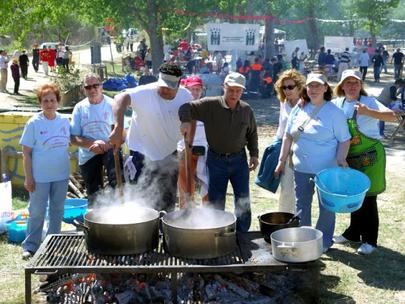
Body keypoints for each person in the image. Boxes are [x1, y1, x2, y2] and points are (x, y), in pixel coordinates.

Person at [274, 73, 351, 251]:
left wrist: (341, 158)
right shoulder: (299, 108)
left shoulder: (335, 113)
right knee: (302, 204)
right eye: (310, 86)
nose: (314, 89)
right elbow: (288, 135)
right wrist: (281, 160)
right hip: (301, 168)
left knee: (327, 207)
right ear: (305, 89)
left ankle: (324, 242)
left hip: (327, 170)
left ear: (325, 88)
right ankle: (305, 239)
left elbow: (345, 140)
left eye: (318, 86)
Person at [179, 72, 259, 232]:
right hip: (217, 161)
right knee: (216, 199)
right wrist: (186, 121)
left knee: (242, 198)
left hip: (239, 160)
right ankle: (217, 230)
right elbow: (185, 107)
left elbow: (252, 133)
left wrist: (254, 154)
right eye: (231, 90)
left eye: (238, 91)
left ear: (242, 91)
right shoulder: (210, 105)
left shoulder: (246, 109)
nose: (234, 94)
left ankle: (242, 233)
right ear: (224, 87)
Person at [110, 63, 192, 212]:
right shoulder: (144, 93)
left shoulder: (186, 95)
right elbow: (119, 99)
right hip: (141, 154)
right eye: (162, 85)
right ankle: (141, 233)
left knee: (167, 201)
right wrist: (118, 127)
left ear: (179, 85)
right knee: (140, 202)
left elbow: (189, 113)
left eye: (170, 87)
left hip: (169, 154)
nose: (164, 90)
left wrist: (187, 122)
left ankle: (164, 231)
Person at [332, 69, 397, 255]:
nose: (352, 86)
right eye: (348, 82)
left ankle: (370, 240)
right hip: (350, 157)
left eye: (356, 82)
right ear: (342, 86)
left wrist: (369, 112)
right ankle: (353, 233)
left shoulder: (368, 102)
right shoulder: (337, 104)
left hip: (371, 157)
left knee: (368, 199)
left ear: (361, 85)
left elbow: (393, 116)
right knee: (354, 196)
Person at [20, 83, 70, 259]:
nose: (49, 103)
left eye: (52, 100)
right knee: (37, 211)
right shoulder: (34, 123)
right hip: (40, 177)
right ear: (40, 103)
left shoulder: (64, 121)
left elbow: (74, 140)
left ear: (58, 102)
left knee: (57, 210)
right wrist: (28, 178)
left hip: (61, 175)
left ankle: (53, 242)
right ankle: (31, 246)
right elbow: (26, 152)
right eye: (45, 100)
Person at [70, 74, 122, 206]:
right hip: (89, 152)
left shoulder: (112, 104)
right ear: (84, 89)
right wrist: (93, 144)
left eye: (95, 86)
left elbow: (122, 132)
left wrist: (107, 145)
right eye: (88, 87)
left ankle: (119, 216)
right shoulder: (79, 108)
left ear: (101, 86)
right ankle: (95, 222)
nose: (92, 90)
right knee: (94, 193)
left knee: (117, 185)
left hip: (110, 149)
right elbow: (73, 138)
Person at [273, 70, 306, 213]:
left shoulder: (306, 103)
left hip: (303, 150)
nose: (287, 90)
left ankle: (299, 220)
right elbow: (282, 126)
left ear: (299, 87)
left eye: (290, 87)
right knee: (286, 188)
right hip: (285, 149)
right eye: (284, 87)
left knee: (301, 190)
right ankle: (285, 218)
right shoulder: (283, 102)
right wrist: (276, 144)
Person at [177, 76, 209, 208]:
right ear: (186, 89)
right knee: (185, 186)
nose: (195, 93)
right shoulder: (179, 107)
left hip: (204, 150)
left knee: (207, 183)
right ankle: (185, 212)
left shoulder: (206, 108)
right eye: (192, 89)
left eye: (198, 89)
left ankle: (208, 213)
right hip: (184, 150)